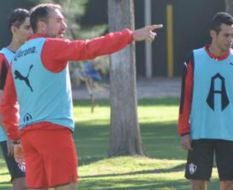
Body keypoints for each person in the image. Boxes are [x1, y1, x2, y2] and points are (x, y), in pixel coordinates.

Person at [0, 3, 162, 190]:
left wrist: (15, 136)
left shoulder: (18, 56)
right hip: (53, 133)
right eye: (59, 20)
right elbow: (89, 48)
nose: (64, 26)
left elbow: (7, 104)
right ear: (43, 26)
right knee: (66, 186)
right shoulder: (52, 46)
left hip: (28, 137)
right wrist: (130, 35)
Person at [178, 12, 233, 190]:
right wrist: (184, 131)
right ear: (213, 34)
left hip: (229, 132)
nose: (230, 39)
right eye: (226, 35)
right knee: (198, 184)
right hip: (200, 132)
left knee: (229, 184)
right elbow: (185, 98)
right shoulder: (194, 58)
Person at [0, 8, 32, 190]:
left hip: (31, 128)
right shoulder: (3, 58)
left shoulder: (30, 56)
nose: (31, 32)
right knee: (21, 182)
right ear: (14, 29)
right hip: (11, 133)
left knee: (35, 181)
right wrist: (11, 136)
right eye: (27, 28)